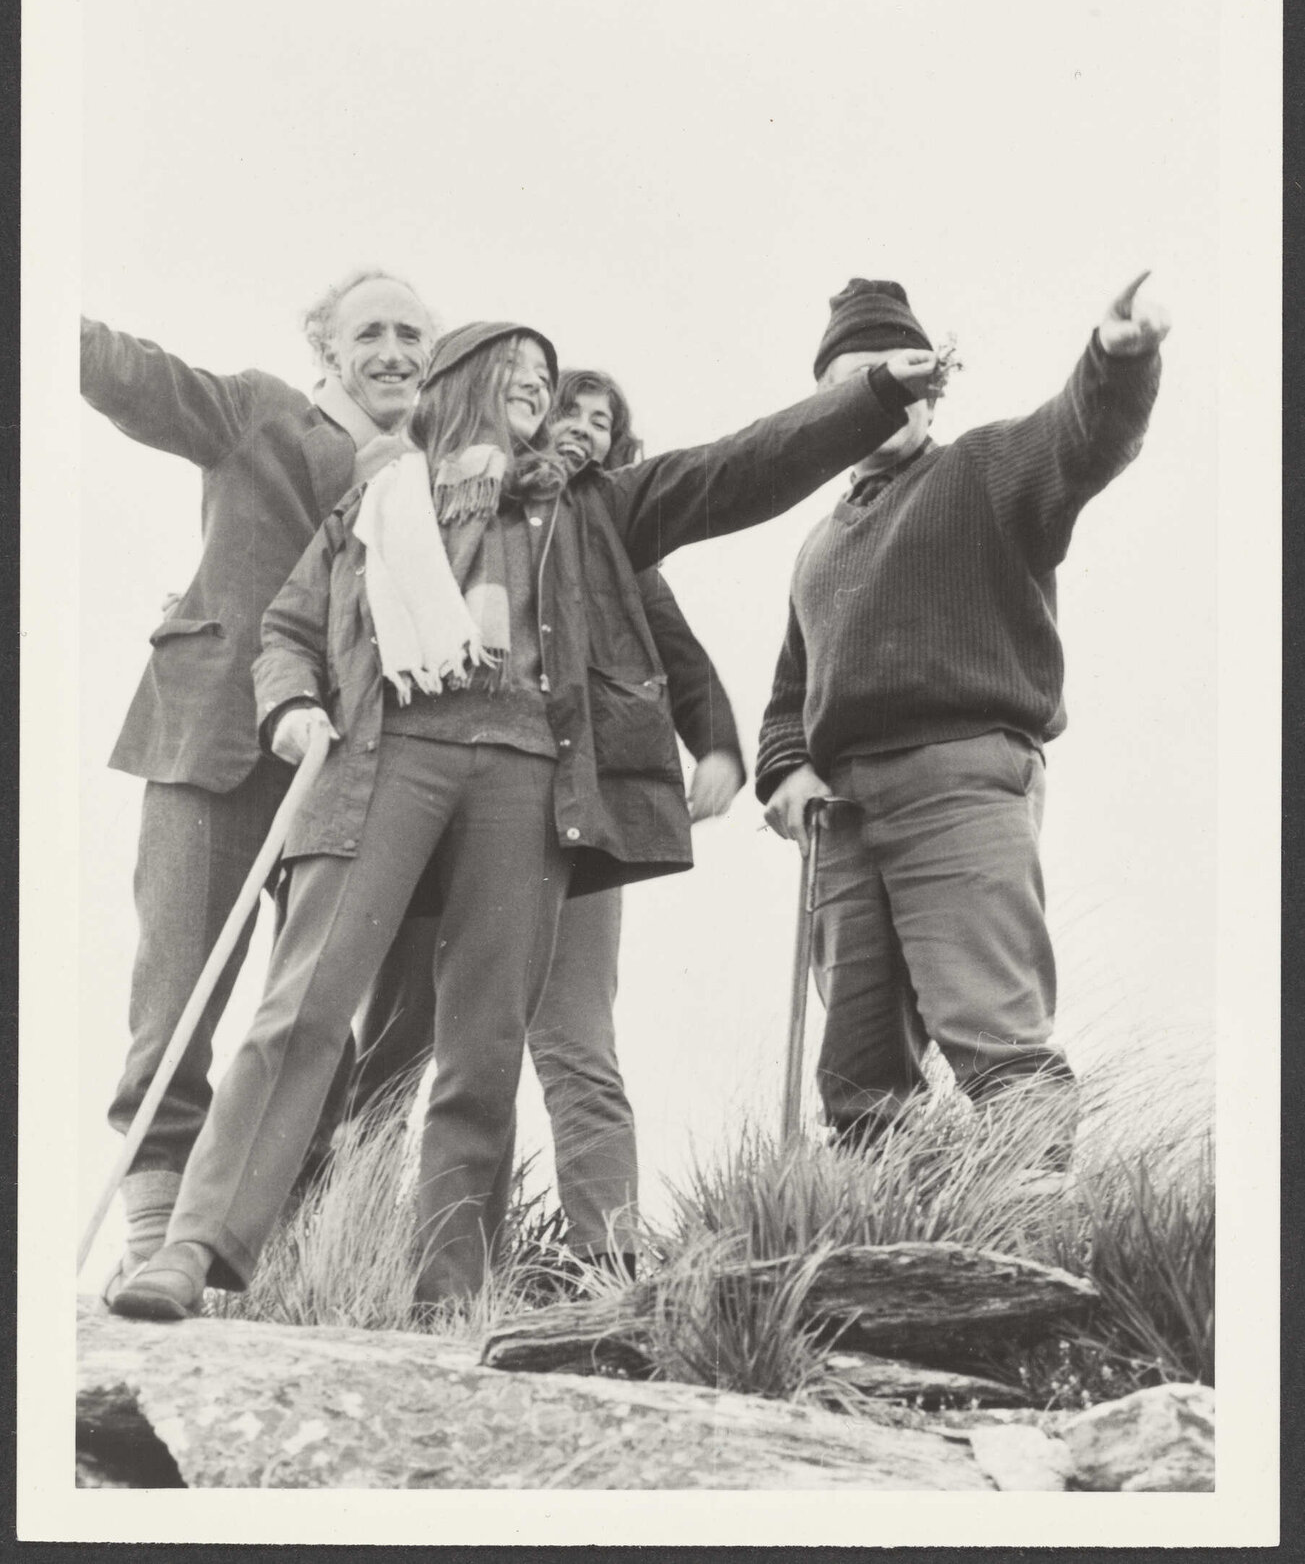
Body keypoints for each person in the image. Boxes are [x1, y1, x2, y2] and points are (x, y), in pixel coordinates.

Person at [109, 317, 933, 1319]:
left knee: (486, 1041)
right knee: (304, 1008)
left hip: (527, 777)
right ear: (458, 382)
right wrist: (289, 701)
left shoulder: (592, 504)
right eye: (519, 369)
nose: (540, 387)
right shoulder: (375, 501)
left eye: (548, 376)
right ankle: (190, 1251)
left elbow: (737, 470)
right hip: (384, 763)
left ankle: (449, 1294)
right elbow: (288, 625)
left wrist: (873, 395)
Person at [758, 272, 1169, 1175]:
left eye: (898, 374)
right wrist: (785, 769)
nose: (879, 398)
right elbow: (790, 693)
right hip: (841, 818)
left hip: (958, 778)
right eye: (853, 384)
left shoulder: (982, 468)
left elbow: (1078, 438)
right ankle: (879, 1264)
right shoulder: (814, 547)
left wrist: (1115, 360)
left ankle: (1029, 1237)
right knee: (859, 1075)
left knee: (994, 1034)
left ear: (929, 387)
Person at [81, 271, 439, 1298]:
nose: (394, 350)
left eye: (413, 333)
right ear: (325, 347)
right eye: (369, 330)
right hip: (219, 736)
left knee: (316, 1010)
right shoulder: (256, 411)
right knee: (181, 987)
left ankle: (265, 1245)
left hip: (362, 769)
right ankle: (152, 1234)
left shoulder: (432, 478)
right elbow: (135, 378)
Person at [349, 367, 747, 1271]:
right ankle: (358, 1245)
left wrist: (717, 743)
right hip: (437, 822)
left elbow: (676, 651)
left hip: (569, 828)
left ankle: (604, 1264)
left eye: (603, 423)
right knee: (405, 1043)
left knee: (573, 1044)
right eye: (568, 409)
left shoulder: (607, 538)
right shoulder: (439, 507)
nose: (582, 431)